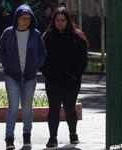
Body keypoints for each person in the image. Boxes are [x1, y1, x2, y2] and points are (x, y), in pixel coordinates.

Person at [0, 4, 46, 150]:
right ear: (17, 18)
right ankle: (9, 139)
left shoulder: (35, 34)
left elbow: (43, 51)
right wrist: (7, 66)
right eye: (23, 18)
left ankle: (27, 136)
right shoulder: (8, 33)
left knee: (27, 109)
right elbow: (1, 52)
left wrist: (36, 66)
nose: (26, 21)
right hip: (12, 76)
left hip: (30, 77)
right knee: (13, 107)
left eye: (29, 19)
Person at [40, 7, 89, 147]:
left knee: (69, 107)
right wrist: (47, 73)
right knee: (54, 108)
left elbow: (83, 60)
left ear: (68, 21)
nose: (60, 23)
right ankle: (52, 138)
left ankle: (73, 134)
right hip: (53, 80)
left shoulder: (78, 38)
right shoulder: (47, 37)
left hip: (71, 81)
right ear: (53, 21)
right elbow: (41, 57)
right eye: (57, 20)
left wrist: (74, 76)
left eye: (63, 20)